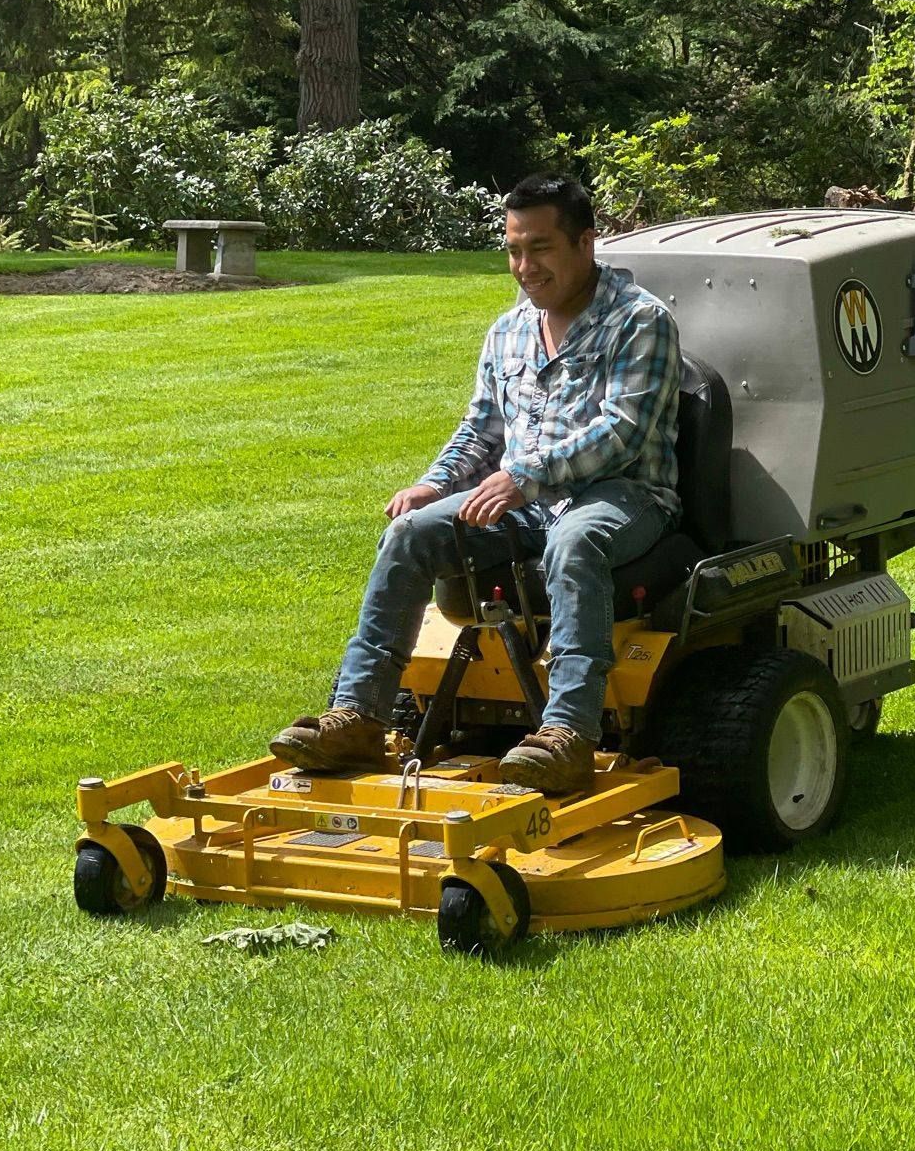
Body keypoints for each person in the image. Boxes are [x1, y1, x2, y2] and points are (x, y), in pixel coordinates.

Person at [270, 173, 681, 794]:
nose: (524, 266)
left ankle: (568, 734)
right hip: (524, 496)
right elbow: (481, 430)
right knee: (410, 534)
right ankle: (359, 715)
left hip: (623, 496)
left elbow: (620, 433)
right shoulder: (509, 329)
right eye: (514, 250)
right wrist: (434, 487)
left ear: (586, 244)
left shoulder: (641, 322)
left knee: (576, 541)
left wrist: (525, 476)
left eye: (540, 248)